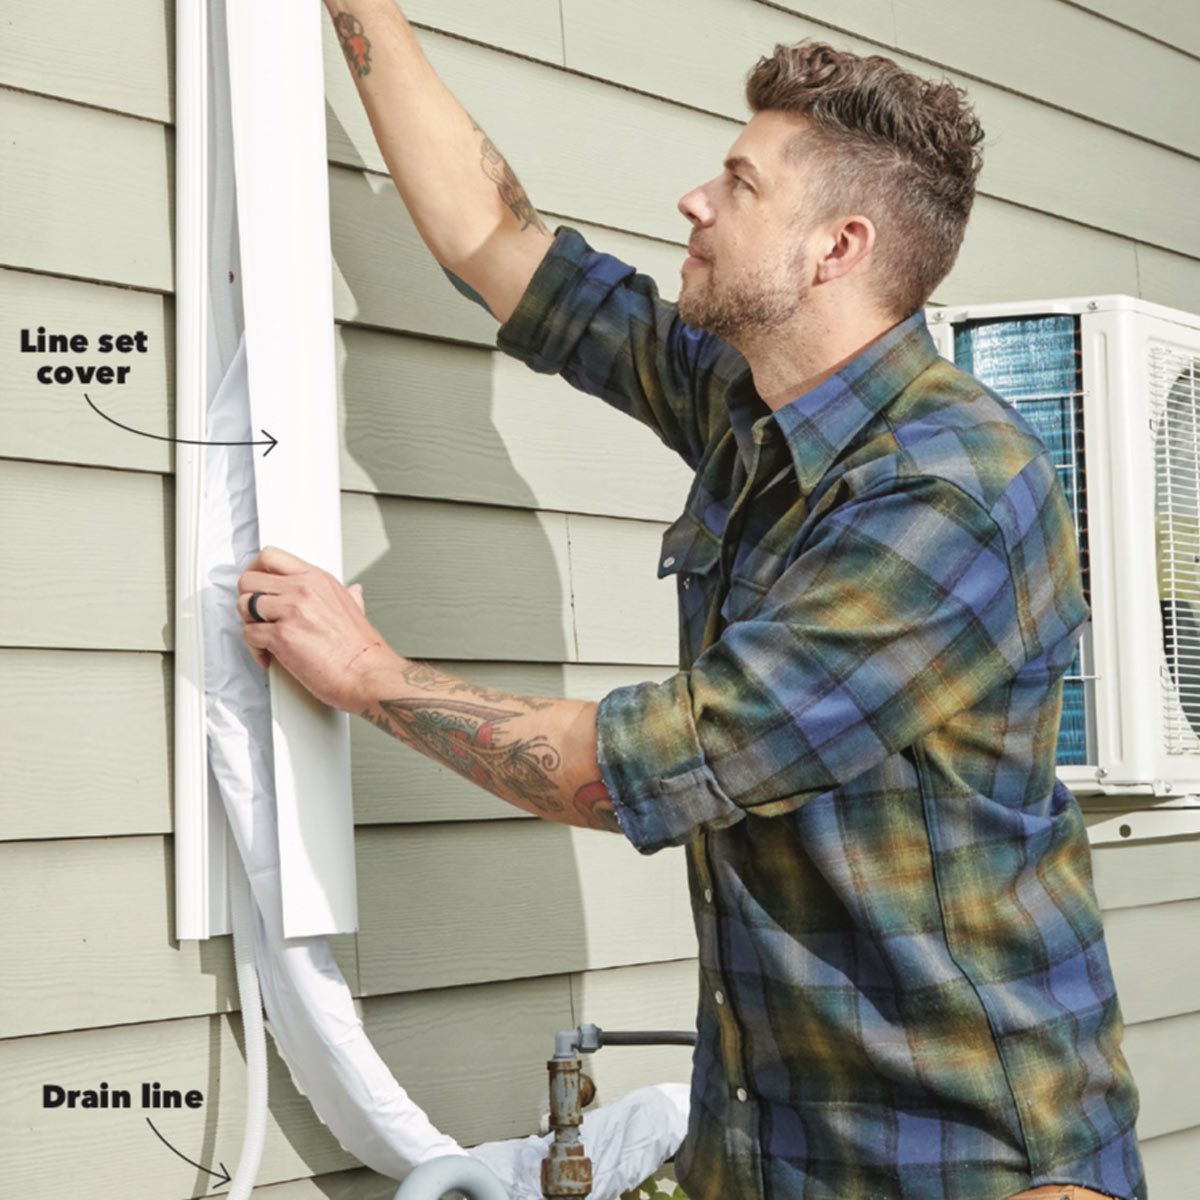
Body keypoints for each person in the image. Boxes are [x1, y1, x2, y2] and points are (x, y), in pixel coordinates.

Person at [236, 4, 1146, 1197]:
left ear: (837, 248)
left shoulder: (952, 494)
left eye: (739, 183)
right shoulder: (752, 404)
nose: (695, 201)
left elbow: (652, 765)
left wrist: (368, 677)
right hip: (777, 1143)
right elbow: (490, 238)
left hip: (966, 1156)